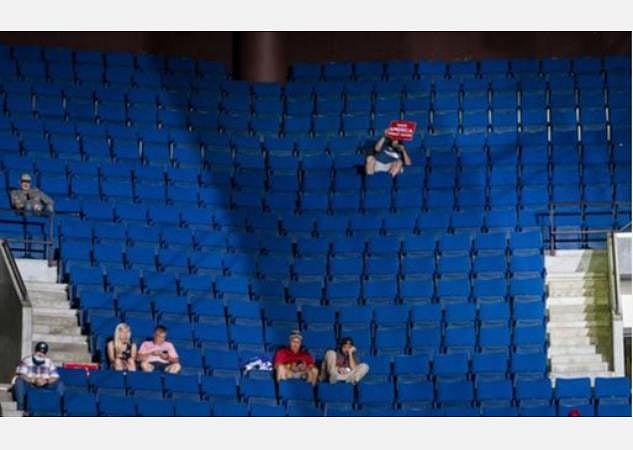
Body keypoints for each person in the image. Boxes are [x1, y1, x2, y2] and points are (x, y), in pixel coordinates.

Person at [11, 341, 63, 411]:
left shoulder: (49, 362)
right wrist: (34, 380)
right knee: (19, 381)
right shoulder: (26, 360)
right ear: (35, 351)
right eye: (39, 351)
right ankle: (21, 409)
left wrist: (46, 381)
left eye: (43, 352)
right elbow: (21, 374)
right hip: (31, 383)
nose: (40, 354)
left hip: (45, 384)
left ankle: (59, 409)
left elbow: (55, 377)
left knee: (60, 383)